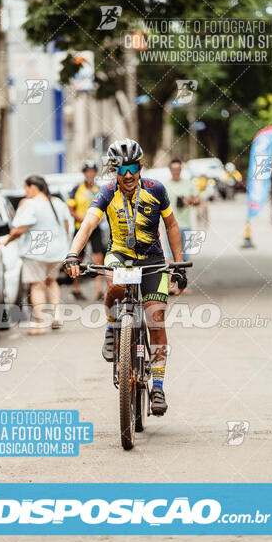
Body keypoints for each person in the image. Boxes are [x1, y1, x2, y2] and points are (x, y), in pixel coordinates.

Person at [63, 139, 186, 417]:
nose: (127, 174)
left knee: (156, 319)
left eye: (132, 167)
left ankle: (157, 386)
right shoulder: (106, 192)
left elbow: (171, 225)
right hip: (119, 254)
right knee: (116, 285)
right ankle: (111, 329)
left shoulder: (156, 190)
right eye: (121, 168)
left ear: (140, 167)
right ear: (113, 170)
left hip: (153, 258)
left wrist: (178, 264)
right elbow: (89, 223)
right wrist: (73, 253)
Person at [3, 175, 70, 335]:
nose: (25, 192)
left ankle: (41, 324)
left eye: (26, 188)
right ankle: (57, 317)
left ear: (33, 187)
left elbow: (20, 228)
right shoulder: (57, 202)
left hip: (37, 251)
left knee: (37, 285)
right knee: (52, 281)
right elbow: (67, 225)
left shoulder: (29, 204)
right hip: (57, 250)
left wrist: (6, 242)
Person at [67, 161, 105, 301]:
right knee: (78, 259)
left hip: (95, 228)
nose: (90, 174)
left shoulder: (99, 189)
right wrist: (83, 220)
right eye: (87, 171)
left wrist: (99, 220)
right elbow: (71, 209)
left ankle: (99, 290)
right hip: (80, 228)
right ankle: (76, 288)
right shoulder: (77, 189)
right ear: (84, 173)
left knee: (98, 258)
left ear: (95, 173)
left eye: (92, 171)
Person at [163, 158, 199, 293]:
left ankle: (182, 287)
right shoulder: (165, 185)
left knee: (184, 258)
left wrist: (188, 200)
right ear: (170, 170)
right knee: (172, 257)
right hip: (170, 225)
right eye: (173, 169)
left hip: (185, 225)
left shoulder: (189, 184)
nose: (176, 172)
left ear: (181, 170)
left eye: (178, 169)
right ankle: (171, 286)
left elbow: (198, 200)